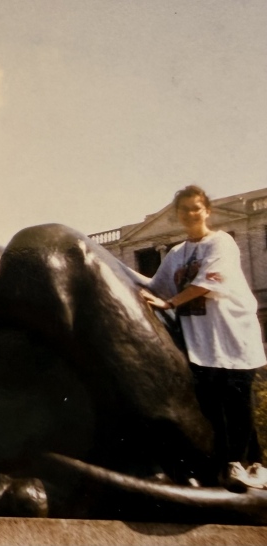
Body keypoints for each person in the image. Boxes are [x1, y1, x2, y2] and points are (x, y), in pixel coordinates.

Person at [142, 185, 267, 490]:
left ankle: (242, 464)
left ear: (207, 211)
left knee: (237, 402)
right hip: (201, 341)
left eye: (195, 208)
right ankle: (249, 465)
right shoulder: (176, 253)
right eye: (184, 209)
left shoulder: (221, 242)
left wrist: (170, 304)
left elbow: (207, 284)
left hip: (231, 334)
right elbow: (155, 285)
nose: (190, 214)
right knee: (214, 406)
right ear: (177, 214)